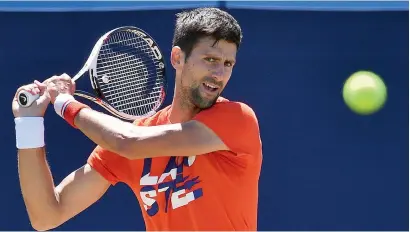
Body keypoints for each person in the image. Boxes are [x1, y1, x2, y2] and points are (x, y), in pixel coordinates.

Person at [12, 7, 262, 231]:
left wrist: (65, 103)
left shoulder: (238, 120)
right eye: (211, 60)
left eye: (228, 63)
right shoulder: (137, 135)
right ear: (178, 58)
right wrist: (28, 124)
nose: (219, 74)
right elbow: (46, 216)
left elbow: (128, 142)